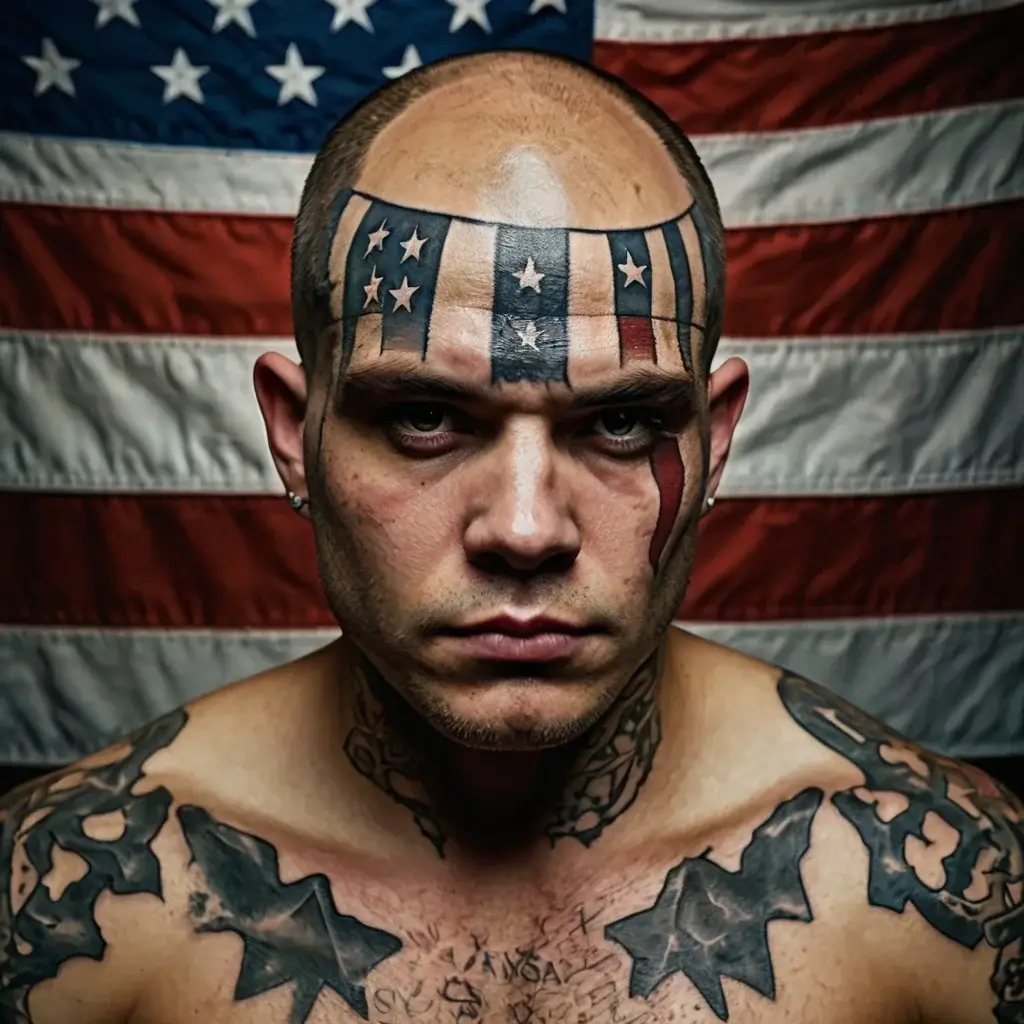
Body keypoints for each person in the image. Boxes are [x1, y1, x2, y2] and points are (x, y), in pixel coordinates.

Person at [1, 50, 1020, 1024]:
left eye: (620, 424)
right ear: (292, 435)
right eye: (424, 417)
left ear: (713, 446)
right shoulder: (86, 897)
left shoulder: (936, 886)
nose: (525, 530)